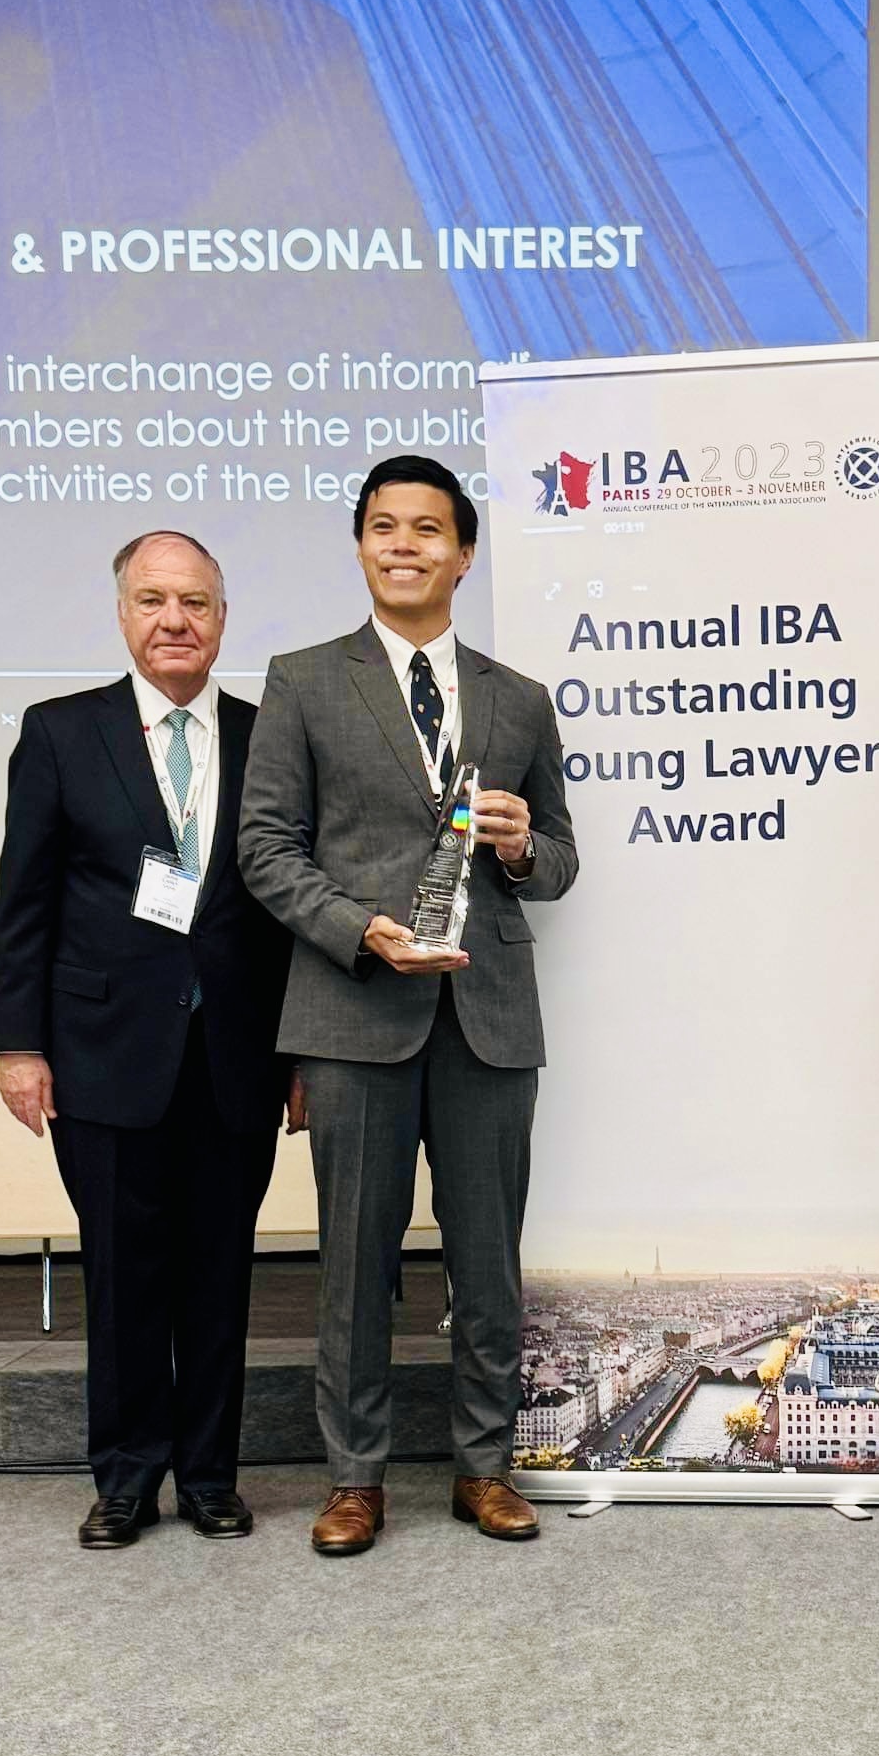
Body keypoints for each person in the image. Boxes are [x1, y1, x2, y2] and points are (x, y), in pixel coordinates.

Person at [239, 454, 578, 1555]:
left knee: (489, 1264)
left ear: (463, 553)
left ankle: (485, 1467)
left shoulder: (517, 697)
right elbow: (265, 848)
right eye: (383, 526)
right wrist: (359, 929)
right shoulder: (303, 680)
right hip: (353, 1011)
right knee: (353, 1265)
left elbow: (561, 857)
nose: (403, 545)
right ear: (359, 546)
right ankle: (354, 1479)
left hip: (487, 1016)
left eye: (427, 529)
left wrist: (522, 848)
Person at [0, 531, 292, 1549]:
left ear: (222, 619)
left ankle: (209, 1475)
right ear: (123, 614)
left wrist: (299, 1053)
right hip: (103, 1050)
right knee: (121, 1278)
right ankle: (124, 1479)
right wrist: (18, 1043)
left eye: (196, 602)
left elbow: (290, 908)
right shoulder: (61, 732)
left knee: (219, 1275)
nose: (175, 621)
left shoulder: (268, 736)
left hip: (237, 1055)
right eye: (154, 600)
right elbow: (24, 900)